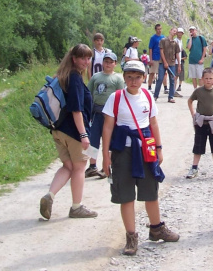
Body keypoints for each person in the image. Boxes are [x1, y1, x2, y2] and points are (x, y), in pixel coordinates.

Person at [101, 61, 180, 256]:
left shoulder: (147, 96)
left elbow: (153, 123)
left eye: (137, 77)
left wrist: (159, 148)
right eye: (129, 77)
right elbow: (108, 127)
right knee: (126, 195)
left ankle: (156, 228)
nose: (133, 81)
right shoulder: (116, 98)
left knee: (150, 190)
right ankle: (131, 236)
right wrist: (105, 157)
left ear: (144, 77)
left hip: (146, 149)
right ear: (124, 78)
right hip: (123, 151)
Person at [39, 43, 98, 220]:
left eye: (88, 58)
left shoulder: (62, 76)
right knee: (80, 168)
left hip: (58, 130)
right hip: (74, 132)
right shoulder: (75, 78)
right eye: (82, 58)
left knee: (68, 166)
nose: (86, 62)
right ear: (74, 59)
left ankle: (49, 196)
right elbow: (76, 110)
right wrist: (84, 135)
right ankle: (76, 207)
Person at [86, 52, 124, 179]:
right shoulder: (96, 77)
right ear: (102, 62)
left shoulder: (118, 79)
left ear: (115, 64)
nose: (108, 64)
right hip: (96, 112)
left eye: (110, 62)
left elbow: (120, 97)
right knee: (93, 139)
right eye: (106, 61)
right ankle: (92, 166)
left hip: (110, 114)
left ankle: (107, 165)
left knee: (109, 140)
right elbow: (89, 93)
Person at [186, 68, 213, 180]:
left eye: (210, 78)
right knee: (198, 145)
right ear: (202, 79)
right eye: (206, 78)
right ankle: (194, 167)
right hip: (201, 122)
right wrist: (193, 113)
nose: (208, 80)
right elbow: (190, 100)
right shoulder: (198, 91)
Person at [153, 27, 181, 103]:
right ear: (170, 31)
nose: (175, 32)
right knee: (160, 79)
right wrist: (165, 62)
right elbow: (161, 52)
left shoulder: (175, 43)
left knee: (172, 80)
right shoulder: (163, 40)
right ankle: (155, 96)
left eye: (176, 31)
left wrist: (179, 65)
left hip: (172, 63)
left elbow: (177, 54)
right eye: (174, 31)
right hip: (162, 63)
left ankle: (170, 97)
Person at [147, 24, 164, 91]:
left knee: (162, 74)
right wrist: (151, 59)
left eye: (160, 29)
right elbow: (150, 48)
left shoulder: (163, 37)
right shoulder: (153, 38)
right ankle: (149, 86)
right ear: (156, 30)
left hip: (161, 58)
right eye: (158, 29)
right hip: (154, 57)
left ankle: (163, 87)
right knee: (152, 73)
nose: (159, 30)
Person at [173, 28, 185, 97]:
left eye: (181, 33)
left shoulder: (180, 41)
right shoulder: (175, 41)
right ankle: (173, 91)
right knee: (175, 76)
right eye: (179, 32)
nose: (180, 34)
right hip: (176, 61)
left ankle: (173, 90)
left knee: (177, 76)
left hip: (179, 61)